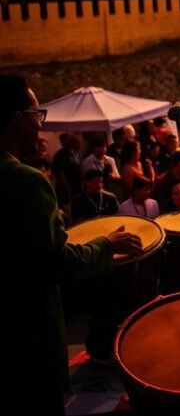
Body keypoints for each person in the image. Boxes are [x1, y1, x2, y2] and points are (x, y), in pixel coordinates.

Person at [2, 74, 141, 415]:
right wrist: (107, 245)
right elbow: (57, 261)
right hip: (28, 342)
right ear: (16, 119)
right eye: (37, 114)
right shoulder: (25, 181)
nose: (40, 123)